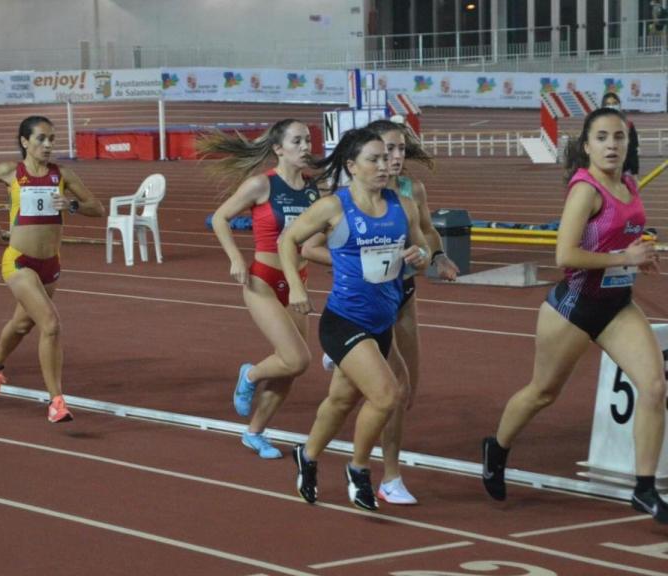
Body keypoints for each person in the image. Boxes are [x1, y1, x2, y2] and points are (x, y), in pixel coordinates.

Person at [482, 107, 666, 523]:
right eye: (602, 137)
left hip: (616, 305)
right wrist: (624, 256)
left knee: (654, 387)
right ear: (586, 146)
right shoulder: (585, 190)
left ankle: (643, 488)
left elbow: (623, 240)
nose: (612, 145)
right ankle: (497, 448)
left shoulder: (630, 184)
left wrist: (638, 260)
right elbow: (565, 255)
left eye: (619, 137)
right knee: (543, 392)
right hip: (574, 308)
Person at [279, 127, 429, 511]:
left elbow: (421, 247)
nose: (384, 166)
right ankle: (359, 469)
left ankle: (307, 455)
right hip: (343, 320)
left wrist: (421, 257)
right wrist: (296, 287)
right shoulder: (334, 206)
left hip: (382, 323)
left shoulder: (402, 205)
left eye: (387, 158)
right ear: (352, 166)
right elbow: (287, 240)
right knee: (387, 394)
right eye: (374, 160)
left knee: (341, 401)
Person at [0, 115, 105, 423]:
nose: (48, 144)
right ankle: (56, 401)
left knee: (22, 324)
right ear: (25, 142)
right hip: (19, 260)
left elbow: (98, 208)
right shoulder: (11, 171)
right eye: (41, 138)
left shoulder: (62, 174)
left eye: (51, 139)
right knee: (50, 324)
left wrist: (73, 206)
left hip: (50, 264)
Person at [200, 119, 320, 459]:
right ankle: (249, 374)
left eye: (308, 140)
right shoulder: (260, 185)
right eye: (296, 141)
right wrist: (236, 257)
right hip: (262, 280)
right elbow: (221, 217)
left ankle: (254, 433)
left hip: (297, 282)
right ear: (279, 149)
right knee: (297, 358)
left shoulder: (315, 190)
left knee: (291, 368)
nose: (305, 147)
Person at [360, 119, 460, 504]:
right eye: (388, 150)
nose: (396, 157)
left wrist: (436, 256)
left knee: (409, 392)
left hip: (402, 295)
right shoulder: (352, 194)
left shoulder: (411, 189)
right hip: (365, 303)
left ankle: (328, 455)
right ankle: (389, 476)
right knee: (393, 392)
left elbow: (428, 229)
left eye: (402, 149)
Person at [600, 92, 640, 176]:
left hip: (624, 172)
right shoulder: (596, 126)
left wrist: (634, 172)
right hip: (602, 171)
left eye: (614, 103)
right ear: (603, 107)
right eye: (608, 104)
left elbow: (633, 150)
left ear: (619, 105)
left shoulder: (628, 125)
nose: (611, 106)